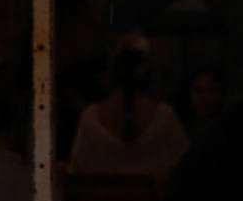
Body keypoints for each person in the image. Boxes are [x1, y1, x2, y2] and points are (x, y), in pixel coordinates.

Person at [69, 40, 189, 181]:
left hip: (100, 200)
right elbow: (183, 163)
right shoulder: (165, 115)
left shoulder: (90, 117)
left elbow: (77, 166)